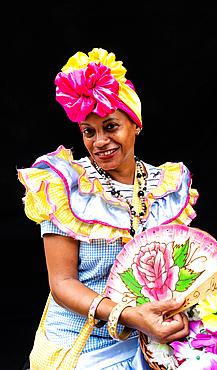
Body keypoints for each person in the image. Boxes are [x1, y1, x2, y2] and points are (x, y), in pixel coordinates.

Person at [18, 48, 199, 370]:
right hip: (82, 341)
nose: (100, 141)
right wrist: (130, 316)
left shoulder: (168, 185)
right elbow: (62, 284)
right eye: (89, 131)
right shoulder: (67, 186)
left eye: (111, 127)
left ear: (135, 124)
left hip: (153, 334)